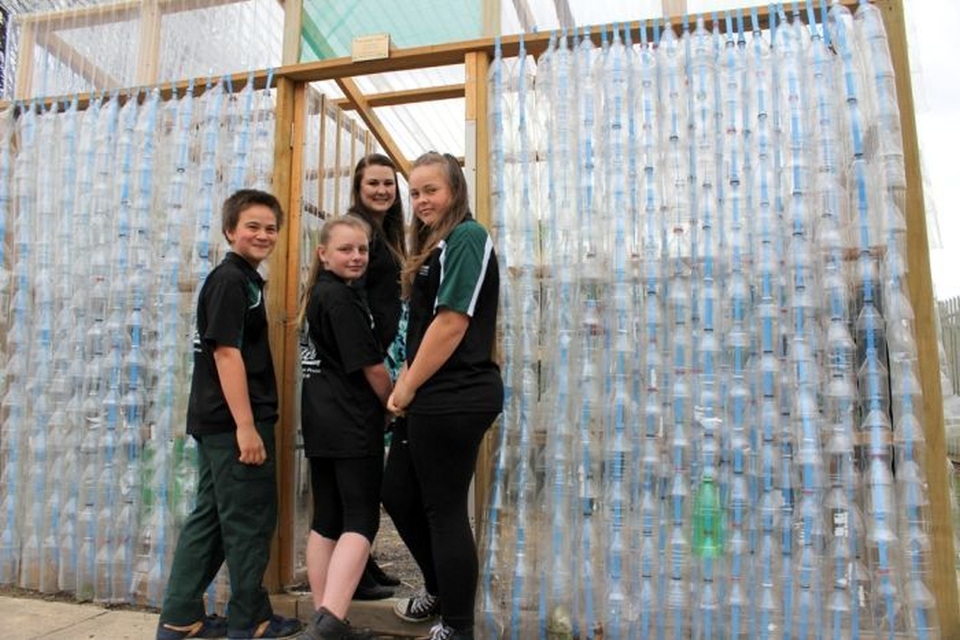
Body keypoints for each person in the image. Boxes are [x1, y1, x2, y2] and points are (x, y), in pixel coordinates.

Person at [156, 189, 302, 640]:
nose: (263, 234)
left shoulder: (242, 280)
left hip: (217, 421)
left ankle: (180, 616)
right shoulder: (230, 281)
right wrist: (245, 427)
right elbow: (225, 353)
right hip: (232, 421)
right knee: (249, 519)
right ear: (229, 231)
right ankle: (250, 621)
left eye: (270, 227)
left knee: (215, 516)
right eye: (252, 226)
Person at [383, 152, 504, 640]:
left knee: (443, 507)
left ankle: (456, 626)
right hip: (428, 391)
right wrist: (405, 384)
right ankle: (439, 588)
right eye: (413, 193)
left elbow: (453, 322)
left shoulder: (467, 237)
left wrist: (408, 386)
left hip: (457, 392)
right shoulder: (435, 245)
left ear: (455, 189)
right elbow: (422, 328)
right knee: (397, 492)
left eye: (430, 190)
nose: (420, 200)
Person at [296, 216, 392, 640]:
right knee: (361, 519)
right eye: (346, 250)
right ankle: (331, 621)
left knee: (328, 518)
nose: (356, 257)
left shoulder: (317, 294)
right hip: (351, 421)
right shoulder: (342, 299)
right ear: (323, 254)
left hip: (319, 421)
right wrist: (392, 401)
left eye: (363, 250)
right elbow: (371, 366)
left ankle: (324, 616)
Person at [344, 154, 407, 599]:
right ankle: (357, 573)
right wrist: (373, 361)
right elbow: (355, 295)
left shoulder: (387, 232)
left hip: (382, 353)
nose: (383, 190)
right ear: (358, 187)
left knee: (368, 467)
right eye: (374, 184)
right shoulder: (357, 228)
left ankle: (365, 562)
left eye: (389, 183)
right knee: (361, 472)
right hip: (366, 362)